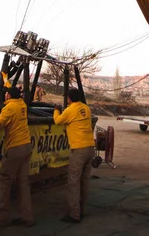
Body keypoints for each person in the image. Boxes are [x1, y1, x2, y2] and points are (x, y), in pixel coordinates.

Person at [0, 86, 34, 227]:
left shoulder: (9, 109)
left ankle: (2, 217)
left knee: (4, 180)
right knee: (24, 183)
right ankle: (27, 217)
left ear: (9, 96)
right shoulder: (22, 105)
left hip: (15, 147)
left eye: (6, 94)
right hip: (27, 146)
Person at [53, 88, 95, 223]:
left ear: (69, 99)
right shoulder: (86, 108)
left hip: (79, 149)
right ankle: (81, 211)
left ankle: (74, 214)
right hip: (90, 147)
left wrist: (56, 110)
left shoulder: (70, 110)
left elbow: (58, 121)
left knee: (73, 182)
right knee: (84, 180)